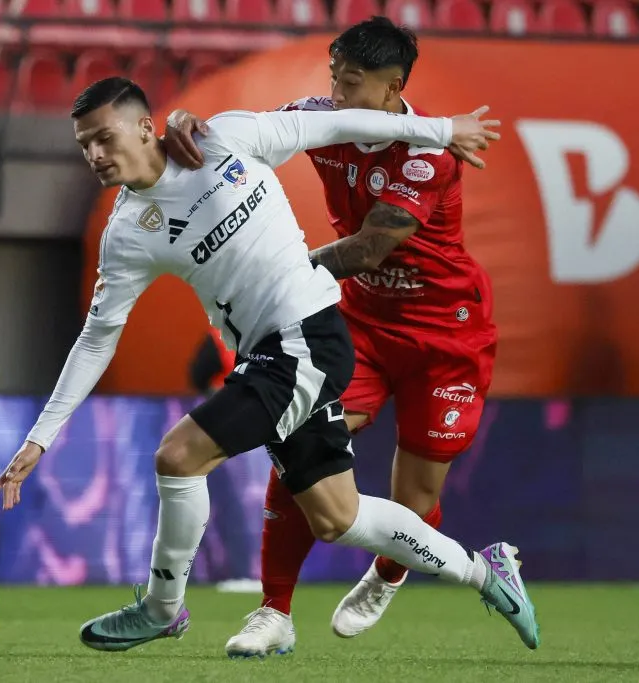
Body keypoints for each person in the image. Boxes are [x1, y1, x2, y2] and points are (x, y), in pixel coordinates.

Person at [0, 76, 538, 654]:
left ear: (146, 126)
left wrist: (442, 130)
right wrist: (40, 438)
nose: (96, 155)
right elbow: (97, 340)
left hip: (309, 337)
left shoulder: (227, 137)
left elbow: (341, 123)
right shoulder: (127, 233)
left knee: (178, 456)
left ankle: (161, 609)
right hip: (269, 353)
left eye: (104, 137)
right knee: (337, 517)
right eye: (85, 145)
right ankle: (486, 572)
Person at [162, 16, 504, 656]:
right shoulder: (319, 119)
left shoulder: (428, 155)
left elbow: (372, 247)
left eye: (353, 84)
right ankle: (273, 612)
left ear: (392, 87)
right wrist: (186, 125)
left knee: (417, 495)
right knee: (296, 433)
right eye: (334, 79)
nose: (339, 95)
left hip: (446, 337)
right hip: (363, 329)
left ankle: (388, 571)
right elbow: (234, 142)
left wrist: (278, 270)